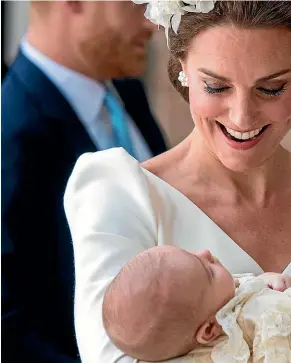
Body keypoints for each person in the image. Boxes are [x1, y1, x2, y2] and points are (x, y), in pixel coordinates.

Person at [64, 1, 291, 362]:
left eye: (271, 88)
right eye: (216, 87)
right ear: (183, 68)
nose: (242, 117)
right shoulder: (120, 194)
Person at [1, 2, 168, 362]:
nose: (152, 23)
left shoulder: (129, 94)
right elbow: (8, 324)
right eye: (135, 2)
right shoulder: (10, 133)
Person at [102, 246, 291, 363]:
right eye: (208, 270)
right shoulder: (258, 325)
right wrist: (281, 301)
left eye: (190, 252)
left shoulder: (220, 305)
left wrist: (267, 282)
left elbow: (244, 289)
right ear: (209, 330)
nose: (205, 253)